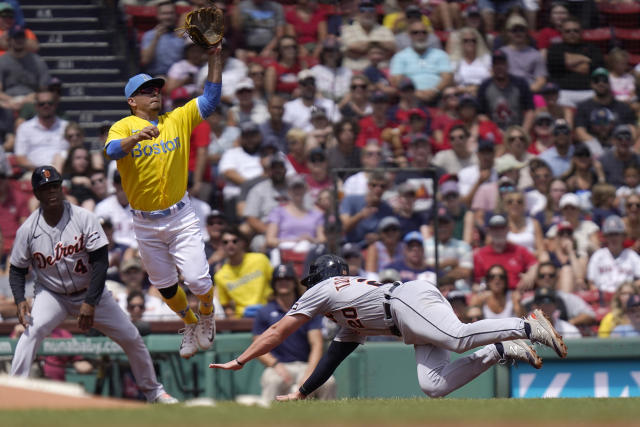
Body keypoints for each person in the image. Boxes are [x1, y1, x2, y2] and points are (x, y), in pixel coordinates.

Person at [211, 254, 568, 400]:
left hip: (405, 303)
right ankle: (502, 350)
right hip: (407, 316)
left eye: (310, 281)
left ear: (319, 279)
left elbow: (277, 332)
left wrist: (242, 358)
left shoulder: (323, 290)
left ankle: (527, 326)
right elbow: (331, 359)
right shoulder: (346, 317)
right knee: (434, 385)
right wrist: (304, 392)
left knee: (458, 338)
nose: (308, 287)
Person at [8, 166, 177, 403]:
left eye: (55, 185)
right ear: (36, 193)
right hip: (52, 294)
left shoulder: (83, 217)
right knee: (30, 333)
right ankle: (16, 395)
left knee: (131, 337)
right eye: (46, 188)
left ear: (62, 187)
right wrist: (19, 299)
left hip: (90, 290)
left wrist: (90, 302)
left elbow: (100, 262)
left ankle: (155, 393)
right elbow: (16, 269)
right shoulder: (27, 230)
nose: (52, 192)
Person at [103, 45, 223, 359]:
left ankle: (207, 313)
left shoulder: (176, 119)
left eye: (156, 88)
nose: (154, 93)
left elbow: (210, 99)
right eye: (145, 90)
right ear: (132, 101)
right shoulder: (122, 126)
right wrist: (134, 138)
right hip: (144, 221)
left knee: (197, 279)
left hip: (180, 215)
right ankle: (190, 322)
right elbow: (112, 151)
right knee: (166, 285)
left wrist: (214, 58)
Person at [253, 264, 336, 403]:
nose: (283, 282)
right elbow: (258, 347)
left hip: (305, 365)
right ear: (273, 283)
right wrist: (276, 365)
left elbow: (317, 345)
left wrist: (310, 373)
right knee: (272, 380)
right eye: (279, 279)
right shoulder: (264, 312)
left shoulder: (308, 308)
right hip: (279, 366)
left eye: (287, 278)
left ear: (294, 282)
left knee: (329, 382)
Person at [214, 226, 273, 318]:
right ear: (221, 246)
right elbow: (226, 305)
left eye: (234, 241)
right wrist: (235, 321)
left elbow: (275, 286)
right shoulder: (220, 275)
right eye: (225, 242)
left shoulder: (260, 260)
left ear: (242, 243)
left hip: (267, 314)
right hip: (242, 318)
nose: (230, 244)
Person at [390, 20, 453, 104]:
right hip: (410, 97)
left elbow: (447, 77)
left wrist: (434, 91)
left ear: (428, 35)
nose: (420, 35)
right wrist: (415, 93)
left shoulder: (440, 54)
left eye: (424, 32)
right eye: (415, 33)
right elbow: (397, 80)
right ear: (409, 35)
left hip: (438, 96)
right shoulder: (400, 56)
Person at [546, 17, 604, 108]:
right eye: (568, 31)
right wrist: (584, 58)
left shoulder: (593, 49)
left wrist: (567, 63)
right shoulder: (554, 48)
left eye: (575, 31)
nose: (572, 33)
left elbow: (592, 68)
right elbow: (556, 62)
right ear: (562, 32)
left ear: (581, 32)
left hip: (588, 92)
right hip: (562, 92)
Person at [14, 89, 68, 172]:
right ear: (36, 106)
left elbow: (74, 151)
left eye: (49, 103)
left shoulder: (66, 127)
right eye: (41, 104)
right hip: (34, 174)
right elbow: (20, 158)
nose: (46, 106)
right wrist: (41, 171)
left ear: (55, 105)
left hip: (64, 172)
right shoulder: (24, 128)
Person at [587, 215, 640, 294]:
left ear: (623, 236)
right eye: (610, 234)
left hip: (626, 299)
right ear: (605, 237)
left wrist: (628, 289)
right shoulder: (597, 256)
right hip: (602, 299)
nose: (613, 238)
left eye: (616, 234)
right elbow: (591, 283)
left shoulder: (632, 256)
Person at [139, 1, 184, 77]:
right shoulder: (150, 35)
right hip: (158, 75)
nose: (168, 16)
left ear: (176, 15)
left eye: (171, 13)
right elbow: (145, 61)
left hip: (180, 75)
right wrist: (156, 38)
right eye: (164, 14)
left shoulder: (183, 35)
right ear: (158, 16)